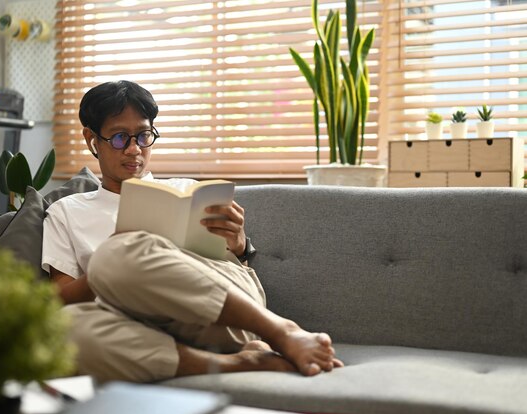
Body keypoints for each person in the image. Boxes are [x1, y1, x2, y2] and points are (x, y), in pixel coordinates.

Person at [41, 80, 343, 383]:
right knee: (66, 327)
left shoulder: (186, 190)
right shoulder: (65, 211)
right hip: (132, 325)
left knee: (114, 255)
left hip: (224, 316)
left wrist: (239, 245)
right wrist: (106, 270)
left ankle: (280, 330)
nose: (134, 150)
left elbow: (229, 268)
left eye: (144, 136)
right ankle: (241, 362)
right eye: (120, 138)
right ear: (92, 139)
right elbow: (60, 299)